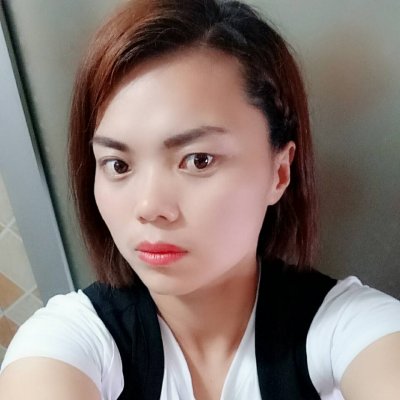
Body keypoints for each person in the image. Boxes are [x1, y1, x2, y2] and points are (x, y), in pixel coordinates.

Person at [0, 0, 399, 399]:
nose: (149, 207)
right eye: (118, 165)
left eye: (199, 160)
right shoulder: (68, 340)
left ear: (279, 172)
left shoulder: (350, 327)